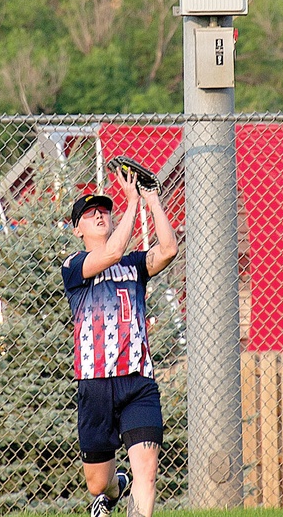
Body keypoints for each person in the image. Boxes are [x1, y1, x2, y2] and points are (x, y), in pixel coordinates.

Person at [61, 165, 179, 517]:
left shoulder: (135, 264)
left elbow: (169, 249)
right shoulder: (75, 265)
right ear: (77, 228)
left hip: (137, 382)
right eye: (89, 213)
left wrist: (152, 201)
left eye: (103, 211)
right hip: (95, 385)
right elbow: (110, 254)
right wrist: (131, 203)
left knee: (147, 471)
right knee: (99, 484)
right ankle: (115, 489)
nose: (99, 215)